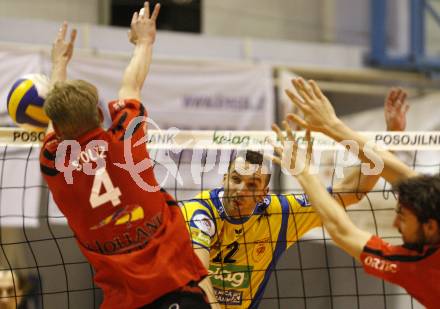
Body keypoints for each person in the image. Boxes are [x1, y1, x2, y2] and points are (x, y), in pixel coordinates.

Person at [39, 3, 209, 308]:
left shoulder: (53, 164)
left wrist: (58, 66)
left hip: (123, 302)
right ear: (99, 112)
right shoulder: (125, 139)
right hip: (176, 288)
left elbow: (55, 122)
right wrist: (144, 41)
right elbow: (132, 84)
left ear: (59, 130)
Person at [179, 88, 409, 308]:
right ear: (224, 179)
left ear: (263, 193)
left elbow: (351, 191)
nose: (240, 189)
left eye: (252, 184)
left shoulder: (280, 214)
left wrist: (390, 140)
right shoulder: (200, 211)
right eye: (236, 179)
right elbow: (199, 275)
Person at [281, 78, 439, 309]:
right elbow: (404, 178)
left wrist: (303, 171)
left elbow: (342, 227)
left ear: (431, 227)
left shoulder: (418, 268)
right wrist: (334, 126)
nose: (396, 224)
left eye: (403, 217)